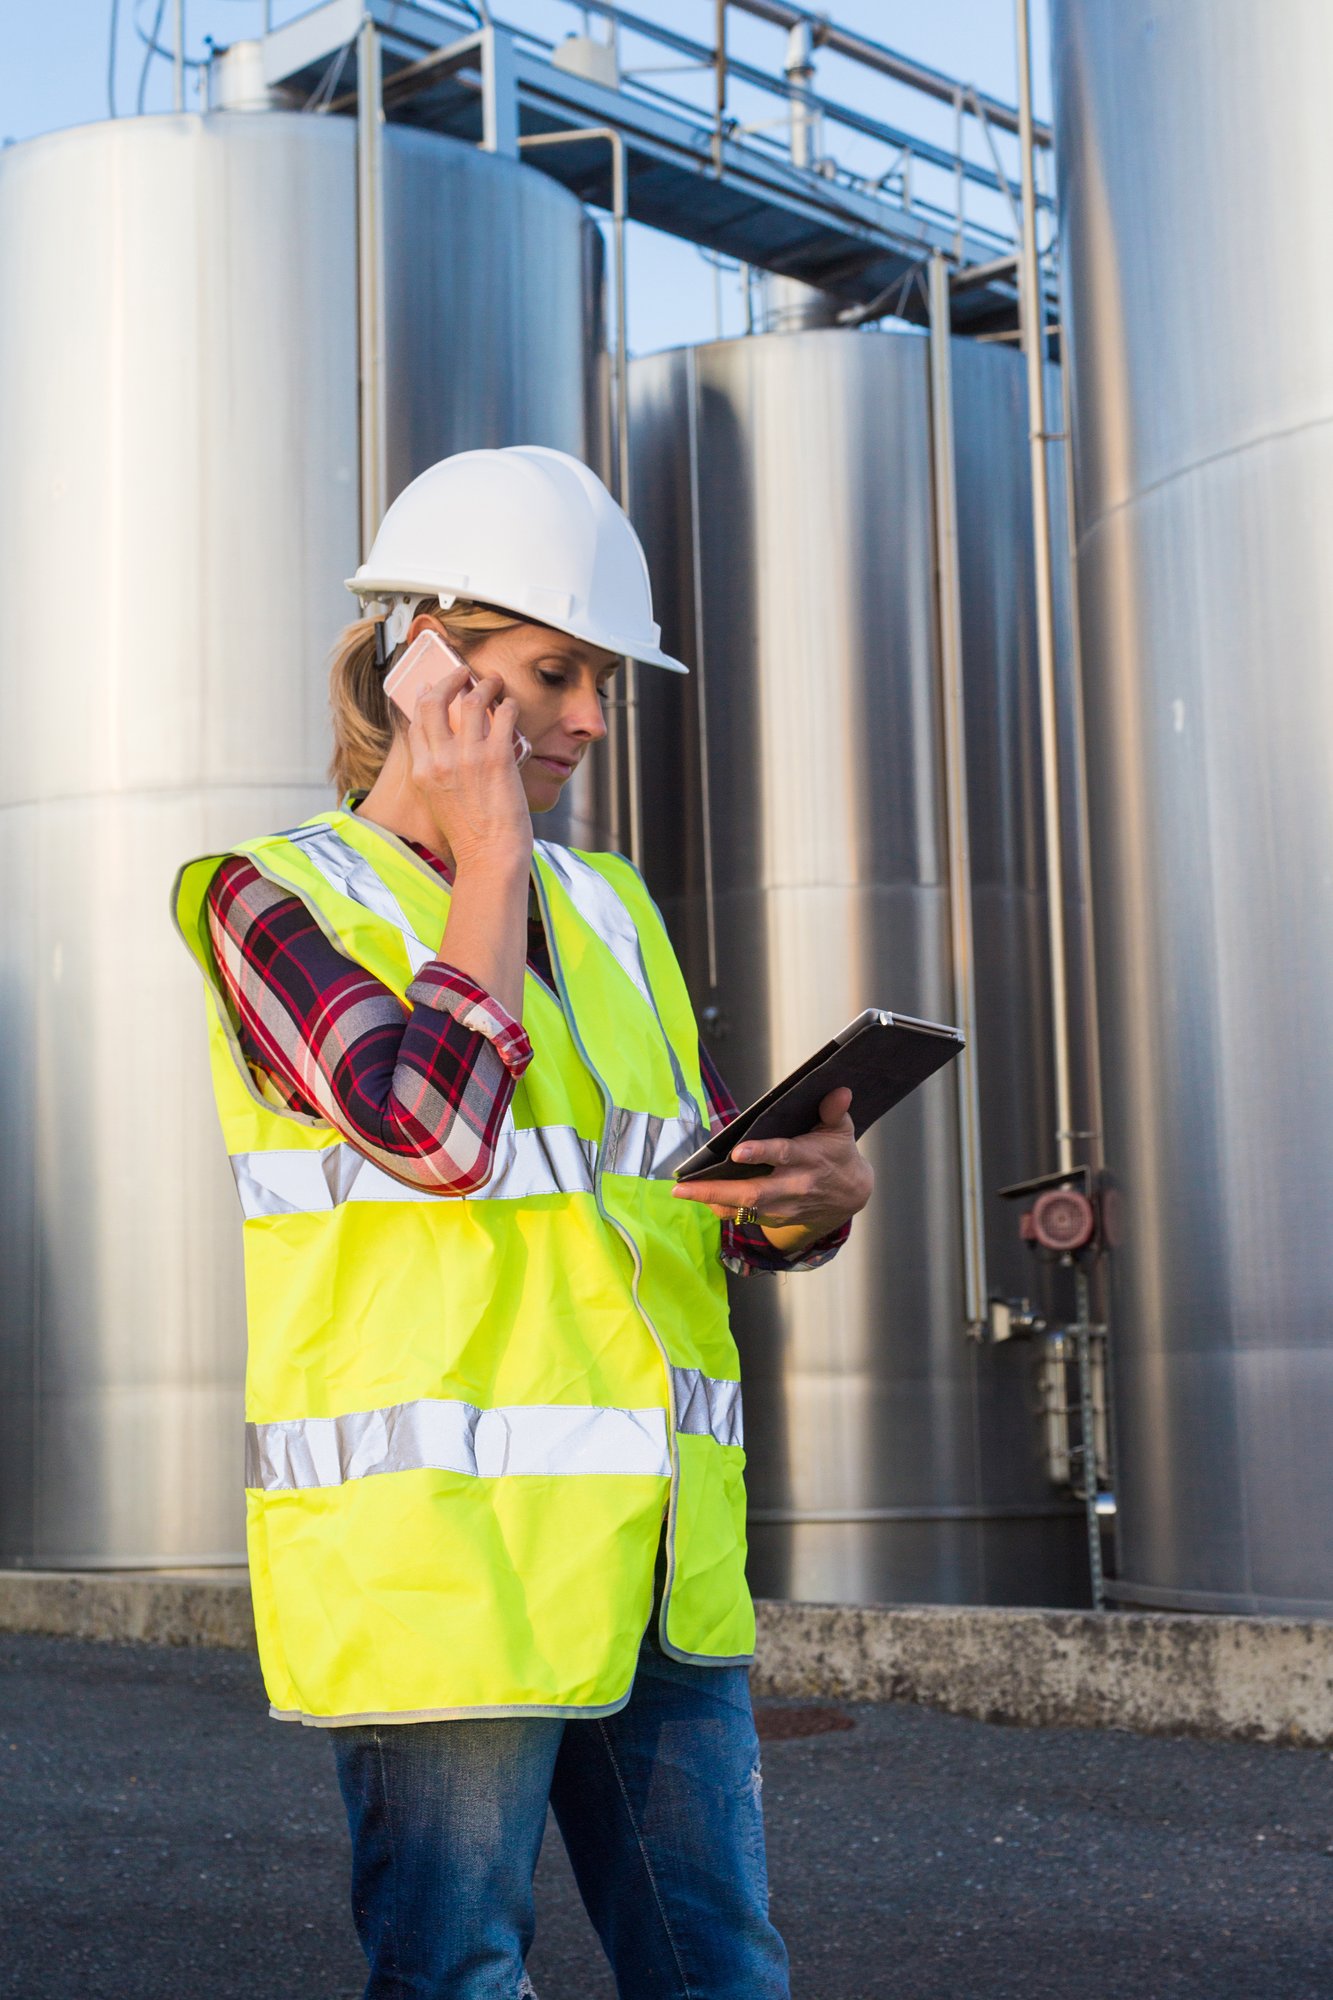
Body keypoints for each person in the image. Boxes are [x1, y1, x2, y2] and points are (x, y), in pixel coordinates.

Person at [174, 445, 874, 2000]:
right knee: (459, 1975)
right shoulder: (269, 897)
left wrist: (799, 1213)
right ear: (424, 661)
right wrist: (488, 858)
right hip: (444, 1583)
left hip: (656, 1571)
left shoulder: (613, 910)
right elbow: (429, 1128)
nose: (591, 719)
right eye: (553, 672)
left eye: (599, 678)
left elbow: (663, 1223)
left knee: (724, 1972)